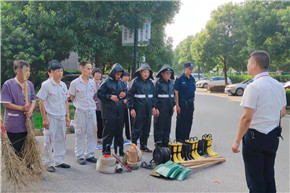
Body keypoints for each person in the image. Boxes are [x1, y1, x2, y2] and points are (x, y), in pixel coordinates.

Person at [232, 50, 287, 193]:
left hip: (255, 138)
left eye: (249, 62)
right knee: (268, 175)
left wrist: (237, 140)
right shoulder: (279, 86)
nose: (247, 65)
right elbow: (282, 112)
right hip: (272, 137)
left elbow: (246, 118)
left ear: (255, 64)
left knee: (255, 179)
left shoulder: (253, 87)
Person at [37, 61, 71, 172]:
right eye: (57, 71)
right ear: (51, 72)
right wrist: (44, 118)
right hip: (51, 117)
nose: (60, 74)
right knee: (49, 140)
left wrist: (68, 116)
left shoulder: (63, 85)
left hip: (61, 116)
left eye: (61, 71)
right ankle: (47, 162)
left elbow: (66, 101)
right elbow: (41, 102)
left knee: (61, 139)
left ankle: (59, 161)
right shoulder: (46, 85)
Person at [1, 60, 36, 156]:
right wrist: (22, 108)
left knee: (28, 149)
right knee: (16, 150)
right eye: (26, 71)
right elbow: (6, 103)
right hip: (14, 124)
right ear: (17, 71)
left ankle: (28, 169)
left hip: (27, 123)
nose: (28, 73)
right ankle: (17, 170)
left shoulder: (29, 84)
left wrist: (30, 110)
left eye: (29, 71)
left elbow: (33, 100)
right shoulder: (8, 84)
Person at [69, 61, 98, 165]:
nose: (90, 71)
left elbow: (93, 95)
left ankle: (90, 154)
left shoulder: (92, 82)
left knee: (92, 132)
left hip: (91, 111)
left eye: (91, 69)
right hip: (81, 111)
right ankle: (80, 155)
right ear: (82, 69)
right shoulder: (75, 83)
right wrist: (78, 105)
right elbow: (72, 97)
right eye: (88, 68)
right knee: (80, 133)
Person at [97, 63, 126, 156]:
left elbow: (126, 92)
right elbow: (99, 94)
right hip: (109, 110)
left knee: (119, 131)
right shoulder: (106, 82)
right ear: (113, 73)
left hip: (119, 110)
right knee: (108, 131)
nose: (119, 76)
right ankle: (106, 149)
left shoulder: (121, 82)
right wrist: (110, 97)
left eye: (120, 74)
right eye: (117, 74)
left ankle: (120, 149)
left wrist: (124, 94)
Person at [128, 63, 157, 152]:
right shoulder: (135, 82)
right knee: (137, 128)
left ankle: (143, 146)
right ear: (140, 72)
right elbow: (130, 95)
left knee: (146, 128)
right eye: (144, 72)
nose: (146, 74)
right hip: (138, 109)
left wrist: (153, 107)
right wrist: (131, 108)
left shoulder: (151, 83)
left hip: (148, 109)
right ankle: (133, 146)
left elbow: (154, 96)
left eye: (147, 72)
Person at [154, 65, 175, 147]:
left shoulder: (170, 83)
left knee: (167, 127)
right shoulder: (158, 83)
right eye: (166, 73)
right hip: (160, 109)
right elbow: (154, 96)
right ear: (162, 74)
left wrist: (173, 106)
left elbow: (172, 97)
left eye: (169, 73)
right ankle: (159, 144)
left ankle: (166, 143)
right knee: (159, 127)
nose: (168, 75)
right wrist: (155, 108)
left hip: (169, 109)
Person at [174, 62, 196, 143]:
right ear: (185, 68)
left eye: (191, 69)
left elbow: (193, 92)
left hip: (190, 102)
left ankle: (186, 137)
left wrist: (193, 104)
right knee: (181, 121)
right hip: (182, 103)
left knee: (189, 120)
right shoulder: (179, 79)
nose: (191, 70)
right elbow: (176, 92)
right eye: (189, 68)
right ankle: (179, 139)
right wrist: (177, 105)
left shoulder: (192, 79)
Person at [92, 67, 103, 144]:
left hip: (101, 106)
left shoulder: (102, 83)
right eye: (97, 73)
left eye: (99, 73)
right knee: (93, 122)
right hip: (93, 106)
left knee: (101, 122)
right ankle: (93, 137)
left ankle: (99, 137)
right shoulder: (91, 83)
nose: (98, 74)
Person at [121, 71, 131, 140]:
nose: (127, 78)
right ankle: (119, 136)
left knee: (128, 121)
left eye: (128, 76)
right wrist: (123, 100)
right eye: (125, 76)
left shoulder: (129, 84)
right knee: (121, 122)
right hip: (121, 106)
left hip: (128, 105)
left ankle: (129, 135)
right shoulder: (119, 84)